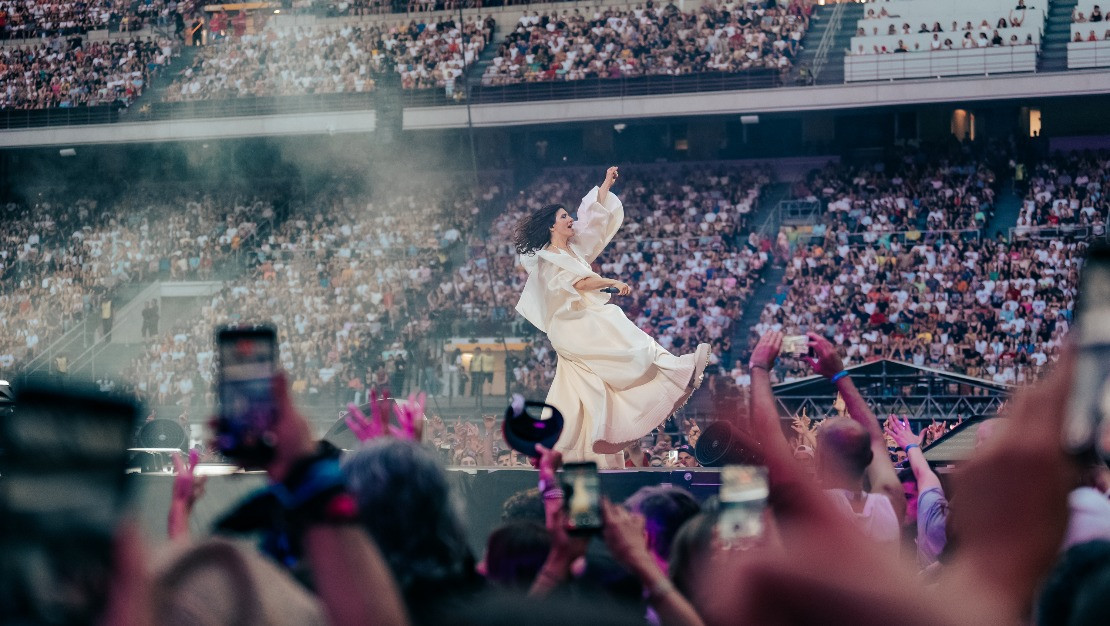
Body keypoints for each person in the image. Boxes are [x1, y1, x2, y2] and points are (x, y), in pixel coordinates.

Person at [513, 167, 710, 466]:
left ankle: (572, 449)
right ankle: (671, 369)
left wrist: (605, 184)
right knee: (614, 320)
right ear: (552, 227)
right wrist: (612, 283)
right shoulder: (548, 260)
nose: (570, 220)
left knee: (579, 393)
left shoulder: (573, 249)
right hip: (571, 326)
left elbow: (594, 221)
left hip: (580, 322)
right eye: (564, 217)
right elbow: (577, 283)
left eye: (568, 215)